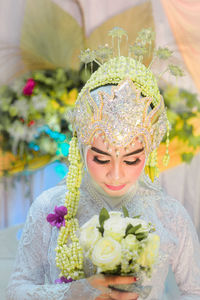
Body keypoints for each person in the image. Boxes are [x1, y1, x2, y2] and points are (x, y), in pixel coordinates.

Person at [6, 29, 200, 300]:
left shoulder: (170, 215)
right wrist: (75, 292)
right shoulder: (49, 207)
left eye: (132, 159)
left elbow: (195, 291)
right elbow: (15, 291)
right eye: (101, 158)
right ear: (83, 145)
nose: (116, 173)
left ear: (150, 150)